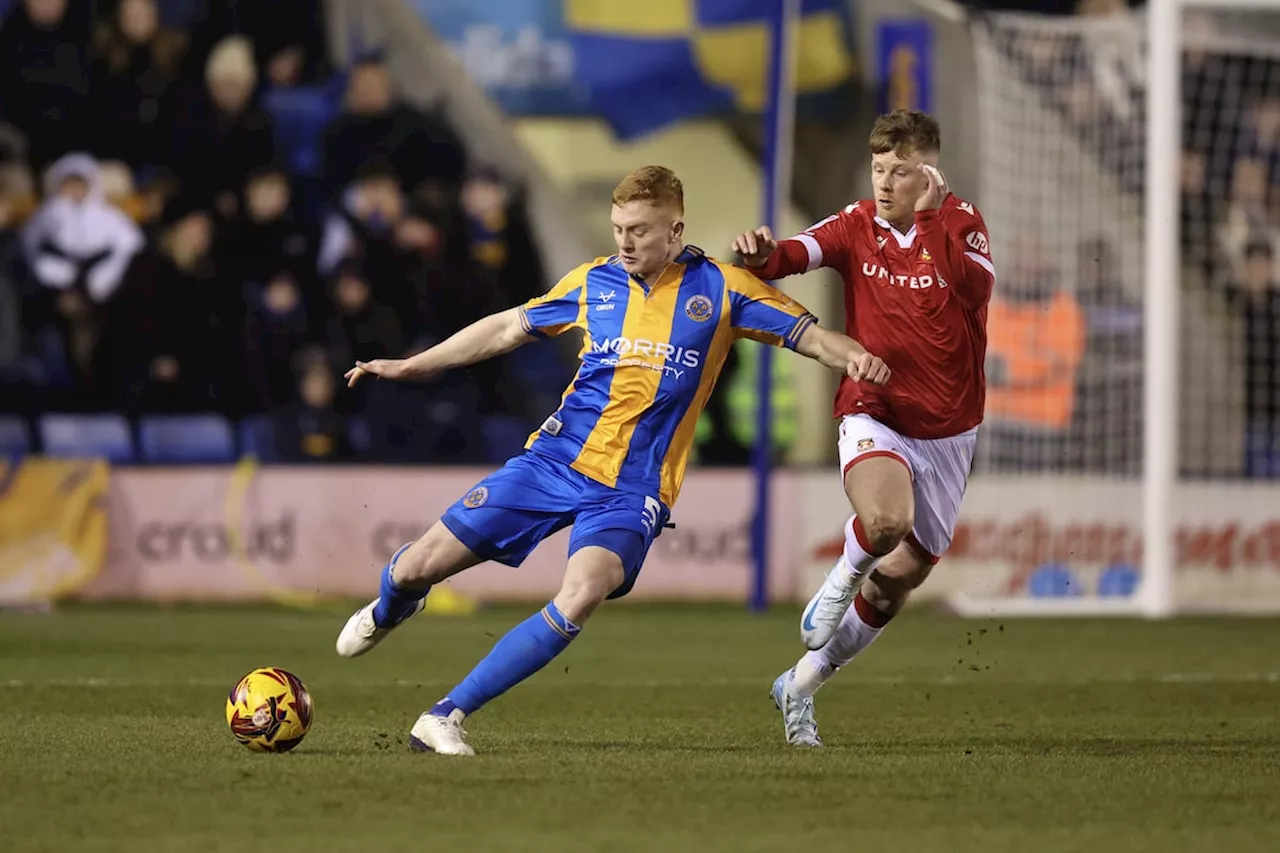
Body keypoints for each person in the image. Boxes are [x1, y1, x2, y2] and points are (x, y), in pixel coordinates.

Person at [335, 165, 891, 756]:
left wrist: (856, 358)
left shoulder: (724, 290)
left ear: (675, 230)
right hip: (552, 463)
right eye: (618, 228)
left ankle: (444, 717)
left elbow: (812, 335)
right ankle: (397, 602)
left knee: (582, 592)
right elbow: (505, 330)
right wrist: (411, 366)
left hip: (634, 489)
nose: (624, 242)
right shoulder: (592, 281)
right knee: (416, 567)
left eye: (640, 231)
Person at [732, 109, 996, 747]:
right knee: (883, 525)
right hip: (874, 407)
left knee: (900, 579)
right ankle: (841, 575)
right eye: (879, 169)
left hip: (951, 430)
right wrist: (761, 254)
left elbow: (970, 291)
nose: (884, 184)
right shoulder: (856, 225)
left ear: (929, 173)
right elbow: (792, 255)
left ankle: (800, 684)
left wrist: (930, 219)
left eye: (900, 172)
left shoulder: (964, 227)